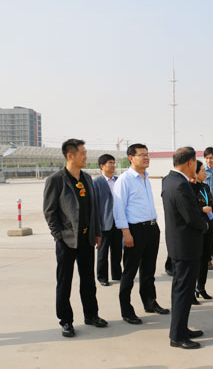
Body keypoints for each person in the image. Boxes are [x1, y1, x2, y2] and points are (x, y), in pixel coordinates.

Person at [43, 138, 107, 337]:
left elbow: (93, 208)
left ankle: (91, 315)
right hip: (67, 241)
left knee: (88, 280)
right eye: (83, 153)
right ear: (70, 155)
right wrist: (58, 235)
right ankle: (66, 321)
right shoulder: (56, 180)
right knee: (65, 282)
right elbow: (49, 211)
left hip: (87, 239)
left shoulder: (87, 178)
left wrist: (97, 232)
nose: (86, 156)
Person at [113, 143, 169, 325]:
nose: (146, 157)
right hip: (134, 230)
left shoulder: (145, 177)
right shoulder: (125, 179)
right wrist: (126, 232)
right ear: (131, 158)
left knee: (149, 270)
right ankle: (126, 310)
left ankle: (150, 302)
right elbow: (118, 208)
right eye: (142, 155)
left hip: (151, 228)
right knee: (130, 272)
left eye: (147, 154)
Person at [161, 147, 208, 349]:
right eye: (195, 163)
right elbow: (191, 217)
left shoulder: (169, 180)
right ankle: (177, 336)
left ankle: (181, 328)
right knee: (183, 291)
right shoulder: (181, 184)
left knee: (182, 290)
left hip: (179, 244)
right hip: (185, 246)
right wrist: (205, 225)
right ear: (190, 162)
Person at [93, 154, 122, 286]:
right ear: (102, 166)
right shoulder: (96, 182)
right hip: (104, 223)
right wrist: (96, 226)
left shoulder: (119, 180)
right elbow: (95, 206)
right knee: (102, 253)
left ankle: (117, 274)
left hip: (118, 222)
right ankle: (102, 277)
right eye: (110, 163)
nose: (113, 165)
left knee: (117, 251)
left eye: (113, 163)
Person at [192, 161, 213, 301]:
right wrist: (201, 209)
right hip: (196, 227)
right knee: (195, 260)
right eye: (202, 170)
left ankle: (201, 287)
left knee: (205, 259)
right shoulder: (189, 188)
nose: (205, 172)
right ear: (195, 173)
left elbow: (211, 207)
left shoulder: (205, 187)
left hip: (208, 224)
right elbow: (188, 208)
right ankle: (191, 290)